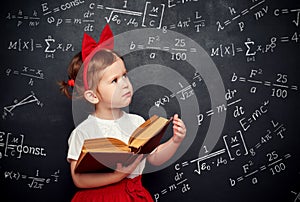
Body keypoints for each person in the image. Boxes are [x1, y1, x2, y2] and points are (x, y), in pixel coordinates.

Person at [59, 25, 186, 202]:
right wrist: (118, 176)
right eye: (114, 80)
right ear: (93, 95)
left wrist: (175, 141)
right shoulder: (83, 132)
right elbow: (79, 179)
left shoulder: (136, 122)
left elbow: (154, 158)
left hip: (133, 195)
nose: (125, 84)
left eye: (124, 75)